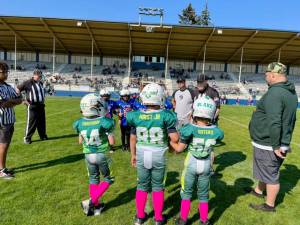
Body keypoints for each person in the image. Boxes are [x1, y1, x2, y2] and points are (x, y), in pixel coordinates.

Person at [248, 62, 298, 212]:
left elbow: (275, 121)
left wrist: (276, 145)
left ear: (274, 75)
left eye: (267, 74)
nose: (265, 76)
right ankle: (258, 191)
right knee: (267, 169)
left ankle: (269, 205)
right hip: (277, 140)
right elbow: (291, 119)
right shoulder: (289, 92)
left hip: (269, 142)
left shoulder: (275, 93)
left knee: (270, 173)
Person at [127, 83, 178, 225]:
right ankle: (158, 218)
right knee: (157, 187)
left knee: (142, 186)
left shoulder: (135, 115)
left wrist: (133, 155)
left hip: (142, 153)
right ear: (160, 98)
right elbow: (175, 138)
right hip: (158, 154)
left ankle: (139, 217)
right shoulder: (166, 116)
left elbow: (132, 137)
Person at [170, 96, 224, 225]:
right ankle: (204, 220)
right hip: (206, 164)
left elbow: (179, 149)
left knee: (187, 193)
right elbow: (216, 135)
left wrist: (171, 142)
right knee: (204, 194)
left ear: (195, 112)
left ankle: (183, 219)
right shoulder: (216, 132)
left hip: (192, 163)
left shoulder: (190, 129)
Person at [73, 93, 115, 216]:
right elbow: (111, 135)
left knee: (93, 178)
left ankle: (96, 207)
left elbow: (80, 141)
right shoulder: (104, 121)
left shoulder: (79, 123)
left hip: (87, 155)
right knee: (109, 178)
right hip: (101, 154)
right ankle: (91, 202)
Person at [0, 62, 22, 179]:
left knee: (4, 145)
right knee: (3, 145)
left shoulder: (8, 87)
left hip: (9, 120)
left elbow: (19, 99)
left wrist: (10, 101)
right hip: (2, 121)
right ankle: (1, 170)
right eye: (3, 72)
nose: (6, 74)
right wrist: (11, 101)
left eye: (6, 71)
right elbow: (2, 103)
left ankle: (2, 168)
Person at [16, 69, 47, 144]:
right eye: (38, 75)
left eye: (40, 75)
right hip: (32, 105)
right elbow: (17, 89)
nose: (39, 77)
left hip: (41, 105)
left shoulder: (40, 83)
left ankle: (43, 136)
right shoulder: (28, 82)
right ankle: (27, 138)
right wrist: (22, 99)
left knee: (42, 122)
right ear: (34, 75)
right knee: (31, 122)